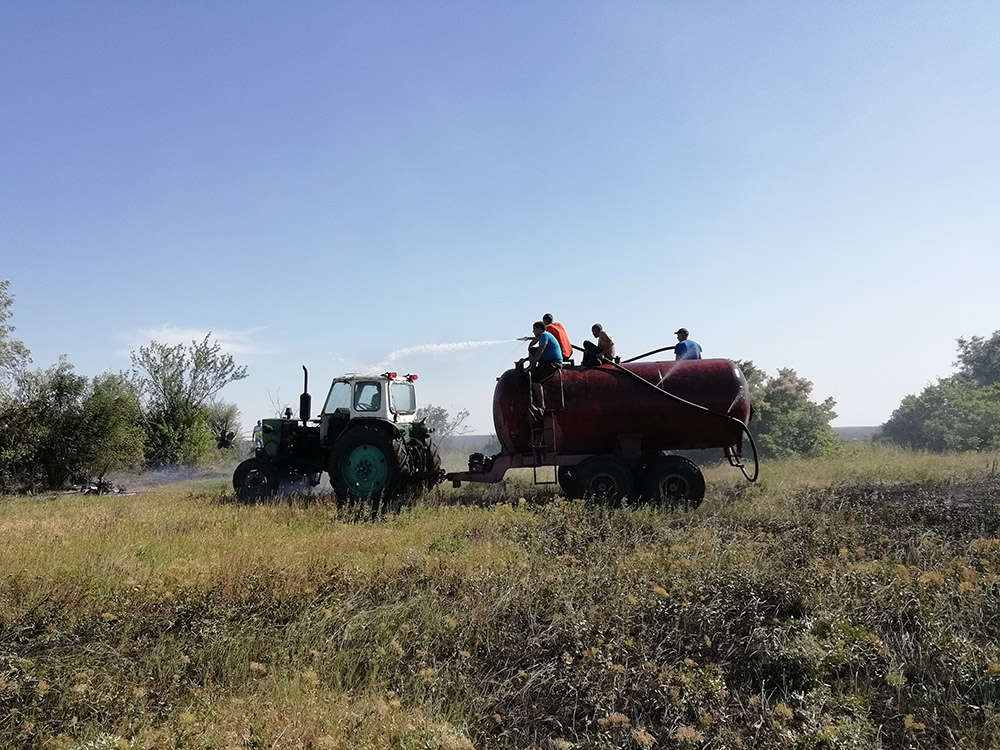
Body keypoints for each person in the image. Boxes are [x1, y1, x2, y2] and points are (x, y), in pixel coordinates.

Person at [517, 321, 563, 412]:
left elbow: (540, 352)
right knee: (532, 350)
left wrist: (530, 366)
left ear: (539, 329)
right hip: (547, 361)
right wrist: (526, 359)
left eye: (534, 329)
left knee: (535, 380)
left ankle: (541, 406)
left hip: (553, 363)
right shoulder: (543, 336)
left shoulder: (544, 335)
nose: (533, 331)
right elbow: (534, 350)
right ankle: (532, 369)